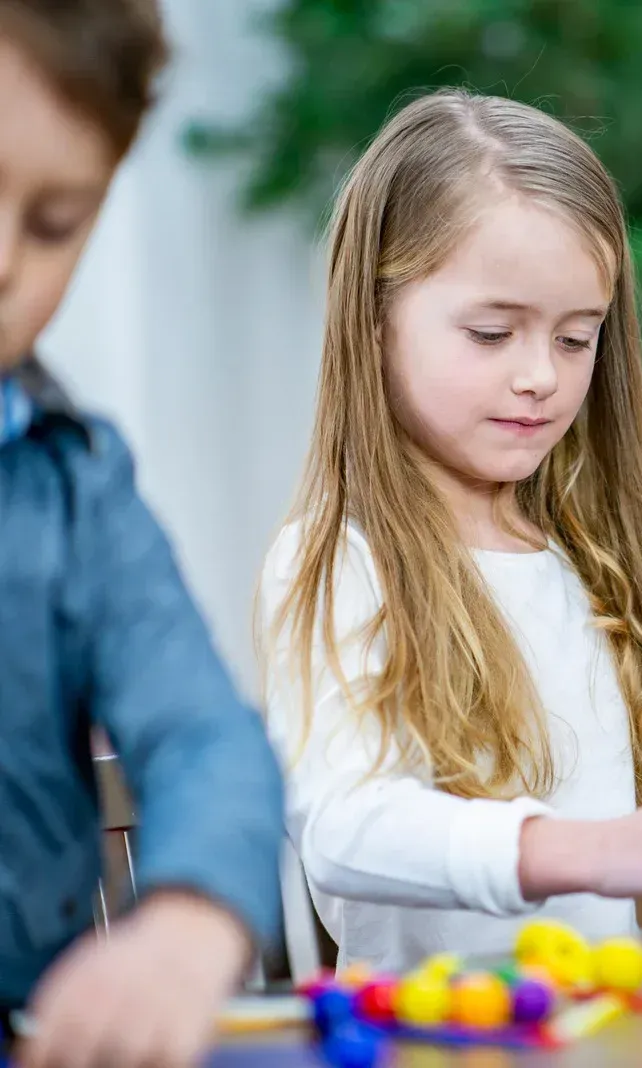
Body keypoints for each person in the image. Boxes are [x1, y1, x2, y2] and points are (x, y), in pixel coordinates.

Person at [257, 90, 642, 974]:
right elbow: (346, 829)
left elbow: (634, 862)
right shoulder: (337, 563)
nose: (540, 377)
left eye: (576, 339)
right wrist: (589, 850)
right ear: (372, 320)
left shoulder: (580, 563)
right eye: (491, 333)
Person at [0, 2, 285, 1066]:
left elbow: (207, 737)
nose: (2, 263)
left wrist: (189, 917)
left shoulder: (80, 487)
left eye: (53, 223)